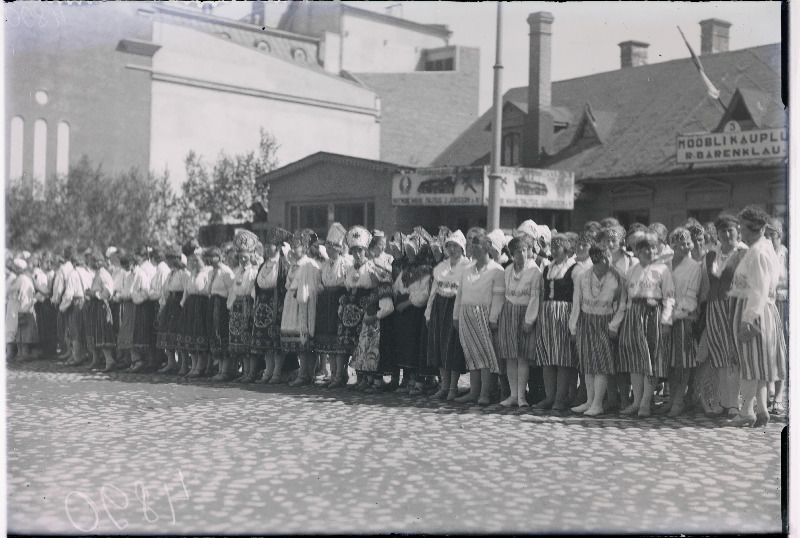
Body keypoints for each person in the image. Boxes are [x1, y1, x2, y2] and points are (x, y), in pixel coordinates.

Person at [728, 206, 786, 427]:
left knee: (749, 364)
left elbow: (759, 290)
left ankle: (746, 412)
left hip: (754, 311)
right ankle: (761, 409)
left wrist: (747, 320)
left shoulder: (759, 251)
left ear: (754, 228)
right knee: (757, 364)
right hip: (760, 310)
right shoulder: (760, 248)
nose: (740, 230)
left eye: (742, 226)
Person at [618, 232, 675, 417]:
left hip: (653, 314)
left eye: (652, 248)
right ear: (637, 251)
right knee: (636, 360)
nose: (649, 252)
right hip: (634, 315)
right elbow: (626, 295)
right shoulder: (632, 269)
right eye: (644, 249)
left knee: (652, 359)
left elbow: (669, 297)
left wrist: (666, 320)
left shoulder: (663, 270)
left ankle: (645, 404)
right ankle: (636, 402)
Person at [569, 246, 626, 416]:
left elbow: (622, 304)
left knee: (601, 364)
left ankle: (598, 403)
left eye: (609, 258)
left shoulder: (618, 277)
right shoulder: (582, 276)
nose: (608, 263)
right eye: (603, 260)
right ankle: (589, 401)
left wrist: (614, 325)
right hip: (586, 320)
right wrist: (573, 326)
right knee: (588, 363)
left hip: (605, 320)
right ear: (594, 261)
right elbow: (576, 302)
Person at [701, 214, 747, 417]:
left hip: (735, 307)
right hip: (713, 307)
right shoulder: (711, 255)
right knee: (718, 354)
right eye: (722, 231)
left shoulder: (745, 253)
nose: (727, 235)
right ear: (717, 234)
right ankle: (722, 400)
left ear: (738, 231)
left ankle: (735, 403)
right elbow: (704, 285)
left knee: (734, 353)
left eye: (731, 230)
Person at [453, 230, 505, 405]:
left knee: (485, 357)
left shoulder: (497, 271)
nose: (473, 251)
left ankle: (485, 393)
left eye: (477, 248)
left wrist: (493, 318)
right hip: (465, 314)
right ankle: (473, 393)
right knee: (472, 356)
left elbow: (498, 297)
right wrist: (456, 316)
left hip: (484, 316)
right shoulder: (467, 269)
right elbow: (459, 294)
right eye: (472, 247)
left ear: (486, 249)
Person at [533, 233, 578, 411]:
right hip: (547, 314)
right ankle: (549, 396)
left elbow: (576, 297)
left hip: (564, 315)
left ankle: (560, 398)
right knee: (547, 358)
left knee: (562, 358)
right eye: (552, 247)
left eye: (558, 247)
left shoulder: (574, 269)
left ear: (566, 249)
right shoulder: (547, 268)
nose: (554, 250)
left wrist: (573, 323)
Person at [659, 227, 702, 417]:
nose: (685, 247)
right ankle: (670, 398)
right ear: (673, 244)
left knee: (682, 361)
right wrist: (664, 317)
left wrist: (673, 316)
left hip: (683, 319)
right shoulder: (664, 263)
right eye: (681, 243)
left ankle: (679, 400)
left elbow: (691, 297)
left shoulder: (694, 266)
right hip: (662, 318)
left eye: (688, 243)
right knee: (667, 360)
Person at [387, 232, 434, 395]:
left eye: (412, 250)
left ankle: (416, 379)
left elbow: (423, 294)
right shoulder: (407, 269)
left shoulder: (426, 270)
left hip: (414, 312)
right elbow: (397, 287)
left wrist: (407, 302)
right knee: (403, 345)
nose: (409, 253)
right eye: (407, 250)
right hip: (403, 313)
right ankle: (406, 378)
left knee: (414, 346)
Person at [497, 235, 541, 408]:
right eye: (517, 251)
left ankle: (522, 396)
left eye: (523, 250)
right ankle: (513, 395)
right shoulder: (508, 270)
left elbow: (535, 297)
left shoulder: (534, 271)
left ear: (529, 251)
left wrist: (529, 319)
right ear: (512, 253)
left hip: (525, 312)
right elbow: (504, 294)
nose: (521, 254)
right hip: (509, 312)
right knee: (510, 356)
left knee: (522, 357)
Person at [426, 230, 470, 401]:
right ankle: (444, 386)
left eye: (456, 246)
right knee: (439, 348)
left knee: (453, 349)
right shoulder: (441, 267)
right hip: (439, 306)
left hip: (455, 307)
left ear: (462, 248)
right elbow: (433, 292)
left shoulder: (467, 266)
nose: (452, 249)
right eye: (449, 246)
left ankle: (453, 388)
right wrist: (428, 313)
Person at [313, 223, 354, 388]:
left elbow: (347, 282)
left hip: (338, 299)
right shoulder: (325, 264)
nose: (329, 250)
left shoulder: (345, 263)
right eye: (327, 247)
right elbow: (320, 280)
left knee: (339, 340)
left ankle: (340, 374)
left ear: (339, 248)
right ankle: (333, 373)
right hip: (326, 301)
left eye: (332, 247)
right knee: (329, 339)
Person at [281, 229, 322, 387]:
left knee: (304, 339)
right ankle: (304, 372)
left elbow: (315, 285)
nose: (292, 249)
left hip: (304, 304)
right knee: (297, 340)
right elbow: (288, 284)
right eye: (292, 246)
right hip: (292, 303)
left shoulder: (309, 264)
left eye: (296, 247)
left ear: (304, 249)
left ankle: (306, 373)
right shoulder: (293, 265)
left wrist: (303, 293)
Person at [253, 228, 292, 385]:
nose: (267, 248)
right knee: (264, 342)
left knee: (275, 341)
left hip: (276, 303)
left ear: (278, 247)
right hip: (263, 304)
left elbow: (283, 286)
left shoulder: (283, 265)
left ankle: (277, 372)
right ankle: (268, 371)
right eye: (266, 245)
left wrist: (282, 306)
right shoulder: (264, 264)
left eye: (270, 245)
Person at [225, 231, 259, 382]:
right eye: (240, 257)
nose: (242, 260)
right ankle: (245, 372)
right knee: (240, 343)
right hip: (237, 306)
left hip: (247, 305)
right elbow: (233, 289)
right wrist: (230, 305)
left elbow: (254, 290)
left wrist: (252, 305)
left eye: (245, 257)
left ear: (251, 256)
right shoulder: (237, 271)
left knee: (248, 341)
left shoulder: (254, 272)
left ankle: (251, 372)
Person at [178, 243, 212, 378]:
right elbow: (187, 290)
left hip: (202, 304)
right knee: (190, 335)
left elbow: (207, 290)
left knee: (200, 334)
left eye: (196, 260)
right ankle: (194, 364)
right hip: (191, 305)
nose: (194, 262)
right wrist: (183, 304)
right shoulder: (192, 273)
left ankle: (202, 365)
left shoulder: (208, 272)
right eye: (192, 260)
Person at [765, 216, 787, 414]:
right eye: (766, 234)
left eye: (772, 235)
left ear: (780, 235)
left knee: (782, 350)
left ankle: (779, 396)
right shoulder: (764, 253)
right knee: (767, 349)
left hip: (785, 305)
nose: (769, 238)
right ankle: (767, 392)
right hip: (767, 306)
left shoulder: (786, 253)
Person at [155, 246, 189, 374]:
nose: (168, 262)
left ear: (177, 259)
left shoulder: (184, 273)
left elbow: (187, 290)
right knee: (167, 332)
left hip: (179, 303)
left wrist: (182, 305)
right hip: (170, 303)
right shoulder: (171, 273)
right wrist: (163, 306)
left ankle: (184, 364)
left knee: (179, 333)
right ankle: (171, 362)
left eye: (170, 259)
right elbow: (166, 291)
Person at [205, 247, 235, 379]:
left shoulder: (225, 271)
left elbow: (231, 290)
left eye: (213, 257)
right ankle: (219, 369)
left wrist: (229, 307)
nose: (211, 260)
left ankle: (225, 370)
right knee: (215, 335)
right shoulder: (211, 272)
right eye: (209, 257)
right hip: (213, 303)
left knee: (222, 334)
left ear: (220, 257)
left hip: (222, 305)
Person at [84, 251, 117, 371]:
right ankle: (96, 359)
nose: (91, 263)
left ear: (99, 262)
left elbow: (108, 292)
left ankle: (109, 360)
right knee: (94, 333)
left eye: (94, 261)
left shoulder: (104, 274)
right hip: (94, 306)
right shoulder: (97, 273)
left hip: (101, 305)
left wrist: (94, 293)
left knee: (102, 332)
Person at [129, 247, 156, 373]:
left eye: (138, 255)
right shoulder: (143, 268)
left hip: (146, 300)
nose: (136, 258)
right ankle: (148, 360)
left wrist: (138, 295)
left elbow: (147, 287)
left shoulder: (145, 269)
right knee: (143, 331)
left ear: (144, 256)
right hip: (142, 299)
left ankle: (151, 361)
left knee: (146, 331)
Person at [14, 259, 39, 361]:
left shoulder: (22, 279)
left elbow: (20, 293)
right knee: (20, 331)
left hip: (23, 307)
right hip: (23, 306)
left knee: (23, 331)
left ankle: (24, 353)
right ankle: (21, 353)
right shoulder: (25, 278)